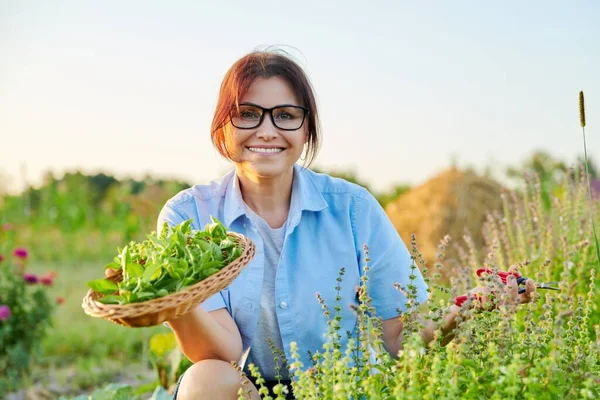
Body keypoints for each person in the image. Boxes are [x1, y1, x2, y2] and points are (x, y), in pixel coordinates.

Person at [116, 48, 536, 400]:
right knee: (206, 380)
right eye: (247, 114)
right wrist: (174, 304)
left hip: (339, 388)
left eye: (285, 114)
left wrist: (469, 308)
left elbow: (398, 336)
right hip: (248, 391)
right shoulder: (188, 216)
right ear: (223, 127)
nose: (267, 130)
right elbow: (220, 352)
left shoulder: (352, 208)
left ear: (306, 128)